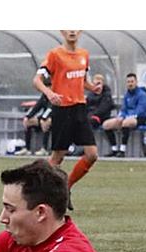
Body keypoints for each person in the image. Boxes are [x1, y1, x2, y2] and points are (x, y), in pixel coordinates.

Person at [33, 31, 102, 207]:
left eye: (75, 28)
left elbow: (82, 80)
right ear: (62, 32)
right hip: (62, 110)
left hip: (80, 108)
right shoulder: (55, 54)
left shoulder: (84, 54)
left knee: (92, 155)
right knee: (57, 158)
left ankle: (67, 186)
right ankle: (41, 192)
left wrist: (93, 88)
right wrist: (49, 93)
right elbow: (37, 80)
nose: (72, 31)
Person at [101, 73, 146, 158]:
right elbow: (124, 109)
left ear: (136, 82)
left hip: (140, 118)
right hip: (127, 117)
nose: (130, 84)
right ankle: (114, 149)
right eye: (128, 82)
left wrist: (127, 117)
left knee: (126, 123)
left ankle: (122, 150)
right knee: (106, 125)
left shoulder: (142, 95)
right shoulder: (127, 95)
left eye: (132, 81)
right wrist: (121, 116)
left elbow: (141, 110)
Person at [17, 91, 52, 157]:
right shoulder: (44, 95)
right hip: (43, 117)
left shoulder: (54, 95)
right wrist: (28, 117)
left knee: (46, 122)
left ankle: (44, 149)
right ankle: (27, 149)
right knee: (29, 122)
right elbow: (37, 107)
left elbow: (50, 109)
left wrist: (44, 118)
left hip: (54, 118)